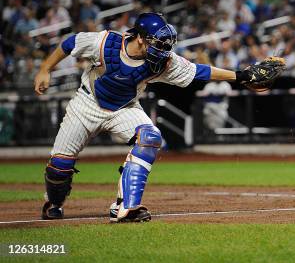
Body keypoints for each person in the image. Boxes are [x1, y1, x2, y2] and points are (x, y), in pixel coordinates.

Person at [33, 12, 263, 222]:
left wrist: (240, 76)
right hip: (86, 103)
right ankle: (54, 203)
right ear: (141, 38)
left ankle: (126, 207)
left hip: (124, 108)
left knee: (150, 137)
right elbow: (70, 43)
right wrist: (45, 68)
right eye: (158, 42)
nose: (164, 49)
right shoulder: (105, 43)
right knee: (59, 167)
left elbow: (199, 71)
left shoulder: (163, 62)